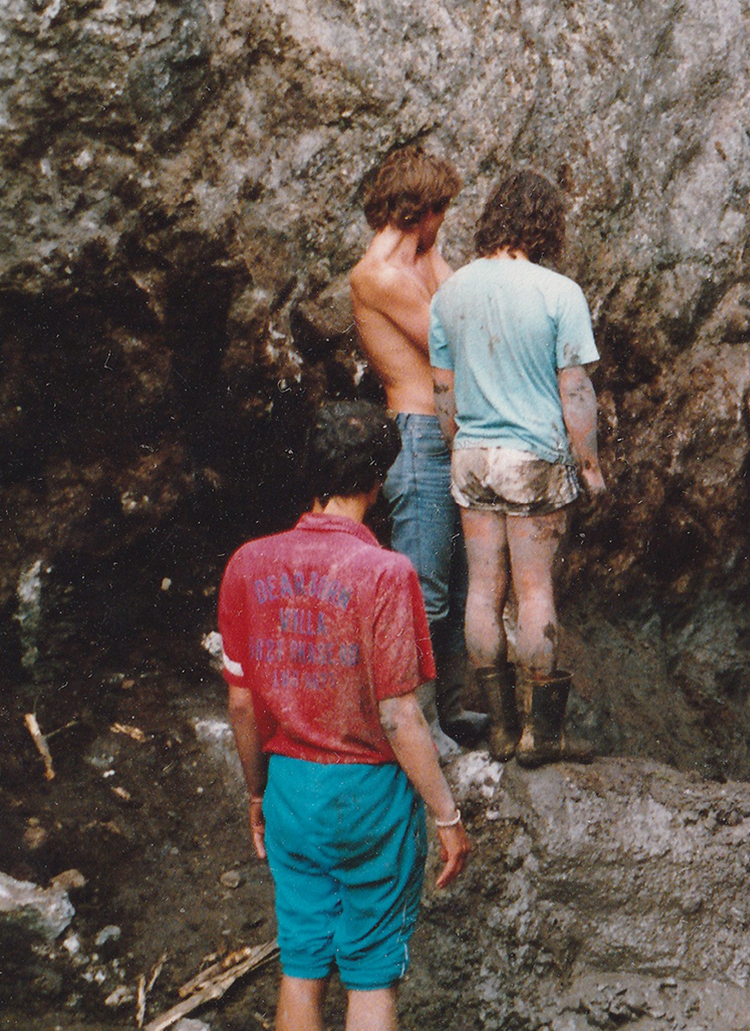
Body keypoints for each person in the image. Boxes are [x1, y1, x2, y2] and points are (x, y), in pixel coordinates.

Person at [218, 401, 472, 1031]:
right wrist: (447, 814)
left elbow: (243, 700)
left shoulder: (248, 564)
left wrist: (256, 792)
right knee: (371, 974)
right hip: (370, 800)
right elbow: (399, 715)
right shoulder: (387, 574)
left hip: (290, 792)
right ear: (379, 480)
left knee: (301, 965)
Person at [430, 169, 605, 768]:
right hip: (532, 459)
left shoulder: (449, 294)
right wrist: (589, 464)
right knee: (533, 592)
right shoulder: (558, 293)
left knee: (482, 591)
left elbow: (442, 391)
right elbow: (575, 390)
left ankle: (501, 732)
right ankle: (541, 737)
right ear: (544, 224)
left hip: (472, 457)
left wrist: (462, 446)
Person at [350, 144, 484, 754]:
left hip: (448, 433)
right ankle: (415, 722)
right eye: (441, 212)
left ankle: (455, 710)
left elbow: (466, 300)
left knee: (457, 586)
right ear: (421, 210)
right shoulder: (379, 274)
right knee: (422, 587)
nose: (443, 225)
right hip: (418, 436)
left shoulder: (421, 257)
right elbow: (453, 337)